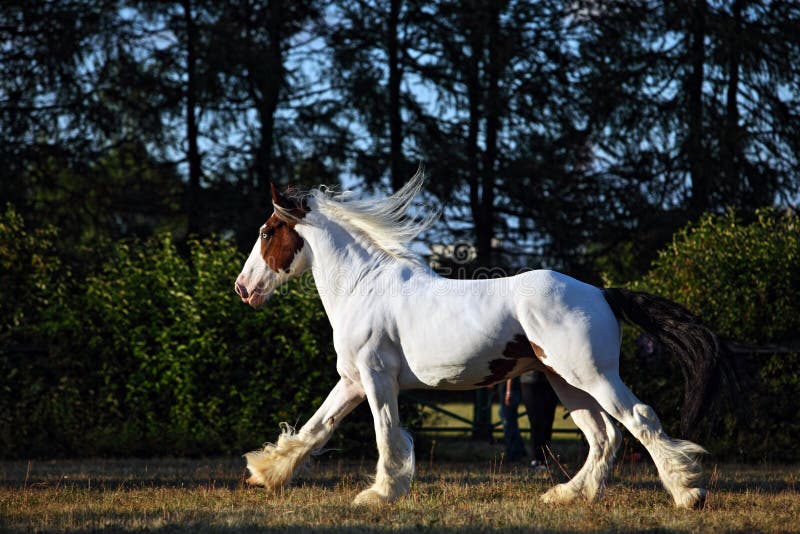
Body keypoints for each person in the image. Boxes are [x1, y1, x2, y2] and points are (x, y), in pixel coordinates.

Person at [498, 370, 559, 469]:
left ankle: (544, 457)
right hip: (530, 380)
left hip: (549, 380)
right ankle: (537, 458)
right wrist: (509, 390)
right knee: (536, 421)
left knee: (547, 422)